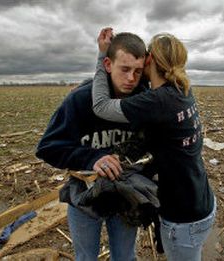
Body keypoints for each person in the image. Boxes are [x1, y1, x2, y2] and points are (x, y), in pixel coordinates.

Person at [92, 28, 216, 261]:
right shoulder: (183, 89)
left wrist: (102, 57)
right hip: (202, 201)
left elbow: (100, 106)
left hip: (183, 217)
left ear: (149, 60)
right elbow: (159, 138)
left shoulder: (157, 100)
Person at [36, 30, 148, 261]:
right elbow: (48, 147)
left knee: (125, 256)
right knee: (86, 257)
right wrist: (91, 159)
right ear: (107, 64)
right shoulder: (80, 100)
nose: (130, 79)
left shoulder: (144, 101)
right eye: (124, 69)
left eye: (137, 72)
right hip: (84, 198)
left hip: (125, 196)